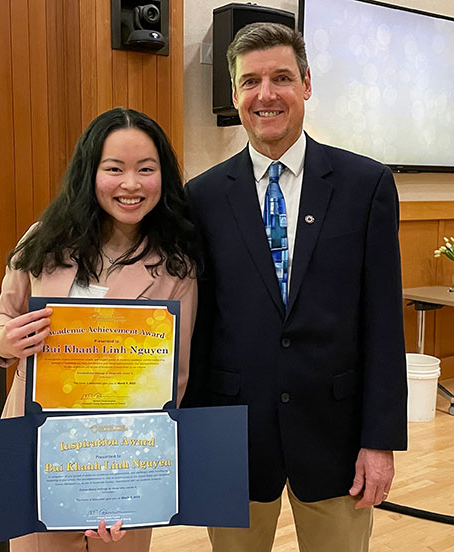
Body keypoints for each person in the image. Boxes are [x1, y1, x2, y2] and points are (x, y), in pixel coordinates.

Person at [182, 22, 405, 552]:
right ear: (235, 94)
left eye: (281, 77)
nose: (266, 94)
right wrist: (191, 436)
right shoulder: (202, 198)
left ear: (306, 84)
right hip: (234, 436)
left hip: (336, 435)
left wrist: (380, 441)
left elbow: (382, 323)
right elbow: (200, 324)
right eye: (250, 81)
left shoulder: (366, 186)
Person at [0, 107, 200, 552]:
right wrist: (5, 339)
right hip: (38, 445)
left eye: (146, 169)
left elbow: (173, 380)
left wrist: (127, 480)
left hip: (125, 454)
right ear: (90, 172)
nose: (131, 185)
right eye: (114, 169)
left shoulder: (177, 264)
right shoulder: (43, 240)